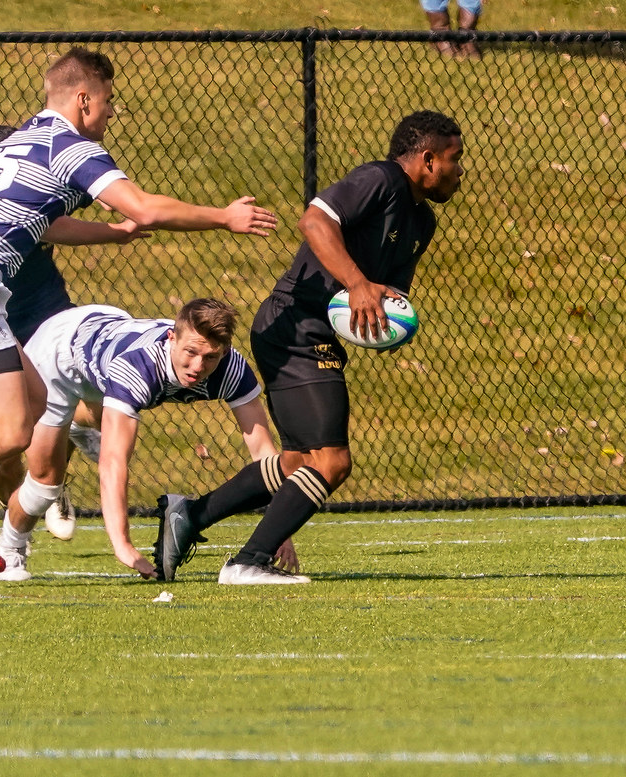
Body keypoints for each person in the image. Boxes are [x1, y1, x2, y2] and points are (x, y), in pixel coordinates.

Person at [0, 47, 277, 576]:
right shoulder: (70, 146)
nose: (111, 113)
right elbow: (142, 205)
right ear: (83, 99)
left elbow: (41, 225)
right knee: (7, 432)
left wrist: (112, 236)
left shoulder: (23, 139)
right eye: (109, 102)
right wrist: (223, 217)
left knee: (34, 405)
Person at [154, 110, 464, 585]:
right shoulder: (378, 179)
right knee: (332, 460)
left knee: (300, 462)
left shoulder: (422, 221)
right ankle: (248, 562)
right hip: (292, 326)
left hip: (311, 335)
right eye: (453, 159)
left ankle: (189, 516)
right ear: (427, 159)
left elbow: (386, 294)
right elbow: (314, 220)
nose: (459, 170)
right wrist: (357, 284)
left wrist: (383, 323)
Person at [0, 298, 298, 582]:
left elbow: (264, 455)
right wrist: (122, 543)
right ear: (171, 338)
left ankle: (79, 427)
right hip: (60, 354)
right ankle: (9, 547)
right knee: (45, 482)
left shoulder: (230, 368)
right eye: (190, 353)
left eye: (210, 357)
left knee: (105, 419)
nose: (198, 367)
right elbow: (113, 461)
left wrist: (279, 531)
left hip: (105, 346)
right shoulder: (137, 368)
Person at [0, 124, 105, 546]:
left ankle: (53, 464)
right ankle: (25, 515)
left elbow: (57, 223)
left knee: (92, 404)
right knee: (5, 442)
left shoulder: (34, 196)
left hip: (45, 314)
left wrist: (121, 230)